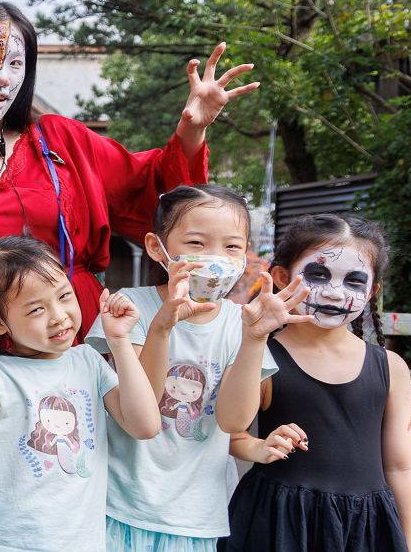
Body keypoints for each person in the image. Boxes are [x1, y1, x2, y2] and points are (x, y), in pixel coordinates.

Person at [0, 0, 260, 508]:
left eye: (17, 62)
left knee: (106, 484)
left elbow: (148, 192)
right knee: (10, 490)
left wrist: (192, 128)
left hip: (87, 333)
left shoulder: (58, 140)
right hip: (5, 354)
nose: (4, 76)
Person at [84, 185, 310, 550]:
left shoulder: (244, 322)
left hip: (196, 516)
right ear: (158, 248)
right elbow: (139, 408)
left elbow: (233, 422)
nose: (215, 258)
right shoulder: (129, 308)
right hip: (118, 504)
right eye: (196, 243)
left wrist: (254, 339)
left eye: (232, 247)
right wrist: (162, 326)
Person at [0, 235, 160, 552]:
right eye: (37, 309)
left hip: (74, 543)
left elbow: (145, 425)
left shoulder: (88, 362)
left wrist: (120, 343)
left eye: (64, 296)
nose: (58, 316)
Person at [221, 214, 411, 552]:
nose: (333, 293)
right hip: (280, 525)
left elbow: (402, 467)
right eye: (318, 275)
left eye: (354, 281)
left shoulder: (390, 367)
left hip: (366, 530)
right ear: (283, 277)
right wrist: (254, 340)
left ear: (372, 290)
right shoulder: (262, 354)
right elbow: (230, 425)